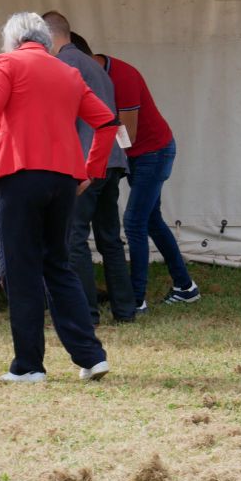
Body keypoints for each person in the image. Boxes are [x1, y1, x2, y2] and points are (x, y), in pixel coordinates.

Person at [0, 12, 117, 382]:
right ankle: (91, 357)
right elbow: (107, 122)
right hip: (63, 180)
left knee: (20, 270)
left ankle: (29, 366)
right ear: (45, 40)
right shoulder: (68, 72)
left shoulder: (6, 62)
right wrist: (91, 169)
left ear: (13, 40)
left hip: (20, 177)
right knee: (57, 266)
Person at [85, 44, 200, 313]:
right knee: (151, 220)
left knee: (134, 222)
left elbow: (129, 137)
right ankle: (185, 287)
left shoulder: (122, 76)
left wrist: (99, 153)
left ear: (88, 60)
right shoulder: (93, 75)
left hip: (153, 153)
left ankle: (136, 299)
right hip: (137, 155)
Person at [41, 12, 136, 327]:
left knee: (74, 238)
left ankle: (86, 314)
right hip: (112, 159)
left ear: (46, 35)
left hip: (86, 161)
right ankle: (125, 310)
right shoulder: (94, 66)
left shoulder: (62, 65)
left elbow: (61, 119)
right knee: (110, 238)